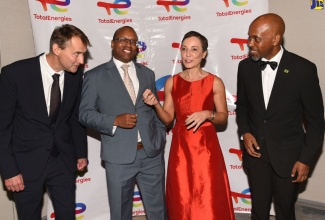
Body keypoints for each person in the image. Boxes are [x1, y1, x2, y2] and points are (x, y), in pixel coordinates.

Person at [236, 13, 324, 220]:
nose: (250, 43)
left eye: (256, 38)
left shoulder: (304, 70)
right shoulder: (245, 67)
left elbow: (316, 123)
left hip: (289, 157)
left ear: (275, 39)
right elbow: (242, 107)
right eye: (249, 37)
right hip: (256, 156)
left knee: (285, 211)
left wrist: (305, 159)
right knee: (258, 211)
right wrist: (245, 132)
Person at [0, 24, 90, 220]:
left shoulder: (75, 76)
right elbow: (3, 127)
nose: (82, 60)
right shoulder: (15, 74)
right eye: (76, 54)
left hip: (63, 161)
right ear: (57, 49)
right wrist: (9, 170)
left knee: (67, 215)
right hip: (25, 164)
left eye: (83, 54)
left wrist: (80, 152)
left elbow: (73, 117)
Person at [142, 31, 235, 220]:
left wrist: (208, 114)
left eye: (194, 49)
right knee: (182, 194)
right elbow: (168, 119)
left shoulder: (214, 82)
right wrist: (155, 105)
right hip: (181, 147)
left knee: (207, 194)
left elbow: (223, 117)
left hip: (206, 147)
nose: (188, 54)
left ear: (204, 54)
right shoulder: (172, 82)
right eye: (184, 49)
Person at [79, 26, 166, 220]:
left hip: (151, 154)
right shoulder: (94, 76)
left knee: (159, 211)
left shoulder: (147, 74)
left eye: (133, 41)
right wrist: (114, 121)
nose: (128, 44)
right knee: (120, 213)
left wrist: (159, 137)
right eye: (123, 39)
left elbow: (155, 109)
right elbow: (84, 114)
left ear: (137, 47)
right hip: (118, 157)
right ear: (113, 43)